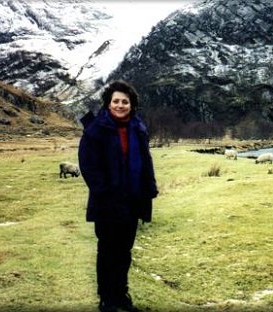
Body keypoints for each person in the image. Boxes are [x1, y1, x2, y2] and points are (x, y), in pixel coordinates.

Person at [78, 80, 158, 312]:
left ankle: (121, 294)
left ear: (131, 105)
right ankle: (106, 298)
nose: (120, 105)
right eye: (116, 101)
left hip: (132, 200)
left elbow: (146, 161)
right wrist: (105, 192)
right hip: (107, 202)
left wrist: (149, 187)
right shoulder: (96, 130)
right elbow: (89, 166)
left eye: (125, 101)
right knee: (107, 250)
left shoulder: (138, 128)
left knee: (124, 251)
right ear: (108, 103)